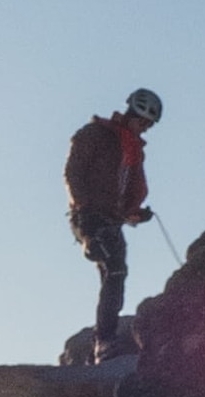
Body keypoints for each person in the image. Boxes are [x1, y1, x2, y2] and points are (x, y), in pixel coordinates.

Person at [65, 89, 163, 350]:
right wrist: (83, 209)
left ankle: (103, 342)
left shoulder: (132, 149)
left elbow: (124, 189)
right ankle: (105, 341)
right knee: (115, 268)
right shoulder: (95, 134)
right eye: (142, 122)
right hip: (89, 215)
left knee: (116, 274)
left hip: (111, 219)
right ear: (132, 114)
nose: (144, 129)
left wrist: (135, 212)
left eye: (148, 126)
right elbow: (73, 171)